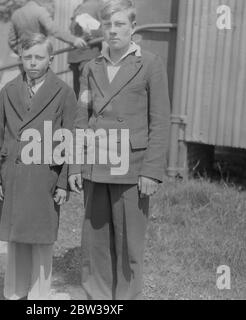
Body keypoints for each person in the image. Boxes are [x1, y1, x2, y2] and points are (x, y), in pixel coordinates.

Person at [68, 0, 171, 300]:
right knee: (95, 245)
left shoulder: (150, 64)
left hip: (132, 169)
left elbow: (160, 122)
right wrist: (75, 165)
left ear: (133, 28)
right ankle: (97, 299)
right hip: (95, 166)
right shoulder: (91, 67)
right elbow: (81, 118)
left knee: (129, 245)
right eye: (108, 25)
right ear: (102, 29)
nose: (113, 31)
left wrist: (151, 170)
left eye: (120, 24)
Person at [0, 33, 77, 300]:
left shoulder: (63, 92)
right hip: (13, 175)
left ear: (50, 59)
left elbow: (67, 138)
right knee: (17, 237)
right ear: (21, 59)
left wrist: (63, 182)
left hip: (45, 177)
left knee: (41, 238)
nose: (33, 63)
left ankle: (39, 294)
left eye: (39, 57)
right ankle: (14, 291)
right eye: (28, 57)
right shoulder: (8, 91)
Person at [8, 0, 87, 56]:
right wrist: (74, 40)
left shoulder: (16, 14)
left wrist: (21, 53)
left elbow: (11, 41)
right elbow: (53, 30)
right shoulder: (40, 11)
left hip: (24, 57)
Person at [67, 0, 104, 98]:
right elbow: (72, 30)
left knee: (87, 95)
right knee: (78, 94)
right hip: (75, 57)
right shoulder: (79, 6)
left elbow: (107, 30)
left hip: (88, 56)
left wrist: (91, 32)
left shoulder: (99, 5)